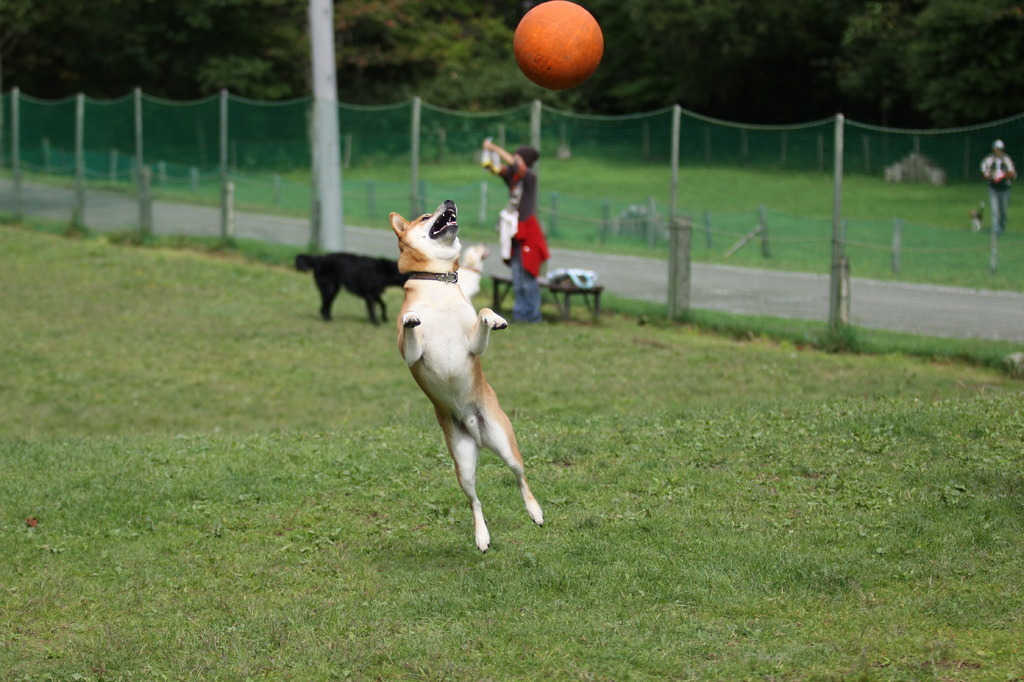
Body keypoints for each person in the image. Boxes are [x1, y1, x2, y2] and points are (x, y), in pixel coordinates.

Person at [482, 138, 550, 322]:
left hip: (528, 232)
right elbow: (496, 169)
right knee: (518, 278)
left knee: (528, 278)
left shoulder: (529, 177)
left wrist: (495, 147)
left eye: (518, 157)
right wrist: (489, 155)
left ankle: (533, 316)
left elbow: (514, 164)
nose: (513, 159)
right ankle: (521, 315)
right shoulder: (514, 178)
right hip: (515, 232)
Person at [980, 139, 1016, 234]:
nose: (998, 151)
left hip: (1005, 189)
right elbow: (984, 173)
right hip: (993, 188)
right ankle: (996, 229)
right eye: (997, 149)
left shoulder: (1007, 160)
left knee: (1003, 210)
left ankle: (1002, 226)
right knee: (995, 210)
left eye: (1000, 149)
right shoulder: (988, 160)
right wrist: (992, 175)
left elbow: (1012, 174)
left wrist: (1003, 175)